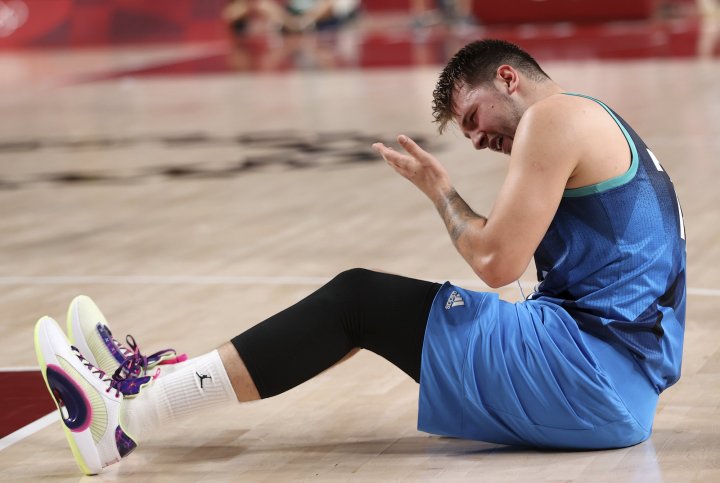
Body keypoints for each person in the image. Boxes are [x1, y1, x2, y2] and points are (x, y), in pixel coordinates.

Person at [34, 39, 686, 475]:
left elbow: (495, 261)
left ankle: (130, 413)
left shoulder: (556, 118)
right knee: (370, 313)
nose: (479, 137)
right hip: (614, 379)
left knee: (358, 301)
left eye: (474, 115)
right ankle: (147, 391)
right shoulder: (603, 123)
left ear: (508, 77)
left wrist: (440, 191)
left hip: (589, 375)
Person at [223, 0, 359, 35]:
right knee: (264, 5)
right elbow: (229, 14)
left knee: (330, 4)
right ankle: (295, 26)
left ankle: (303, 25)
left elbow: (331, 5)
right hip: (292, 16)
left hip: (316, 16)